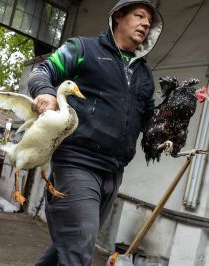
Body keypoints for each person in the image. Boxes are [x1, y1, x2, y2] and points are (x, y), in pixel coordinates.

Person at [27, 0, 163, 265]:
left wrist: (173, 117)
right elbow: (42, 71)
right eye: (139, 16)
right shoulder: (82, 48)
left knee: (68, 247)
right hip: (77, 163)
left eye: (150, 21)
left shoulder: (144, 73)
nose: (146, 24)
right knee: (79, 248)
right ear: (118, 18)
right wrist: (44, 91)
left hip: (113, 172)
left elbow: (150, 119)